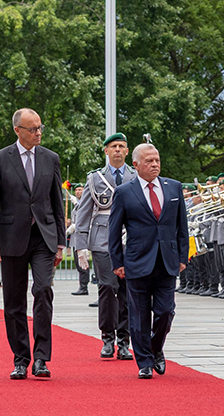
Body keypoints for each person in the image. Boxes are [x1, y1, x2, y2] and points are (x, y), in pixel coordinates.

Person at [0, 107, 66, 380]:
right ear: (17, 130)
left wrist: (61, 243)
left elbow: (57, 202)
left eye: (40, 127)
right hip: (11, 238)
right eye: (33, 129)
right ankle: (21, 358)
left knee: (42, 290)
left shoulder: (50, 158)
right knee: (14, 302)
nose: (38, 133)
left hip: (43, 237)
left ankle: (41, 358)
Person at [109, 143, 189, 379]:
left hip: (167, 260)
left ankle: (155, 349)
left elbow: (181, 226)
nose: (154, 164)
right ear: (136, 165)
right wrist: (117, 262)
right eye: (149, 161)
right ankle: (144, 362)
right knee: (139, 315)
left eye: (157, 160)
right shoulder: (124, 192)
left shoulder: (173, 187)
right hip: (136, 261)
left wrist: (182, 256)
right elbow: (114, 231)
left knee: (165, 311)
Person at [72, 133, 136, 361]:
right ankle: (107, 338)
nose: (117, 150)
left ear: (127, 151)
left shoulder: (135, 176)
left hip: (130, 241)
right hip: (102, 241)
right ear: (106, 151)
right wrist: (81, 246)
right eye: (113, 146)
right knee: (108, 289)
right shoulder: (95, 178)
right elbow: (83, 213)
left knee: (127, 291)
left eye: (121, 146)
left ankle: (124, 342)